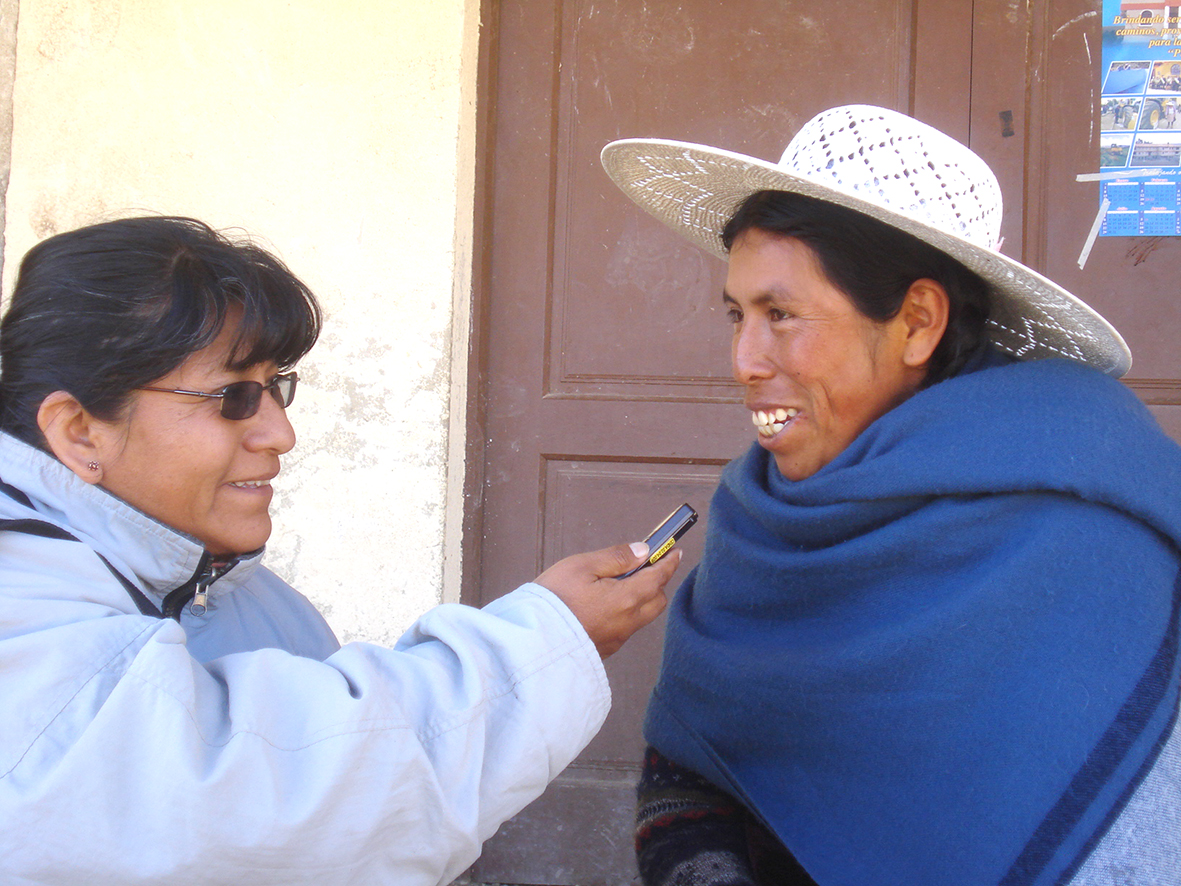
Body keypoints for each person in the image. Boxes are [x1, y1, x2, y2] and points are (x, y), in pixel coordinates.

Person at [0, 216, 680, 885]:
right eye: (234, 397)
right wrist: (545, 641)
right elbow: (276, 812)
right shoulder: (19, 602)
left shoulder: (251, 599)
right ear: (80, 432)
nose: (280, 433)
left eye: (276, 386)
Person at [600, 105, 1181, 886]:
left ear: (915, 322)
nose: (742, 359)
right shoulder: (761, 512)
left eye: (781, 315)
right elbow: (688, 768)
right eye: (736, 314)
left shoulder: (1083, 511)